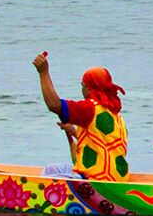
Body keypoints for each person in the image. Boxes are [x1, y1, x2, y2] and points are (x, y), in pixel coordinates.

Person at [31, 52, 130, 180]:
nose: (82, 90)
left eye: (82, 86)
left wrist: (43, 73)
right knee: (51, 169)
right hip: (118, 176)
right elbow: (101, 140)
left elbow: (54, 105)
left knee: (46, 178)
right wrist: (72, 130)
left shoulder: (90, 108)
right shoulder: (116, 114)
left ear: (88, 89)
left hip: (96, 179)